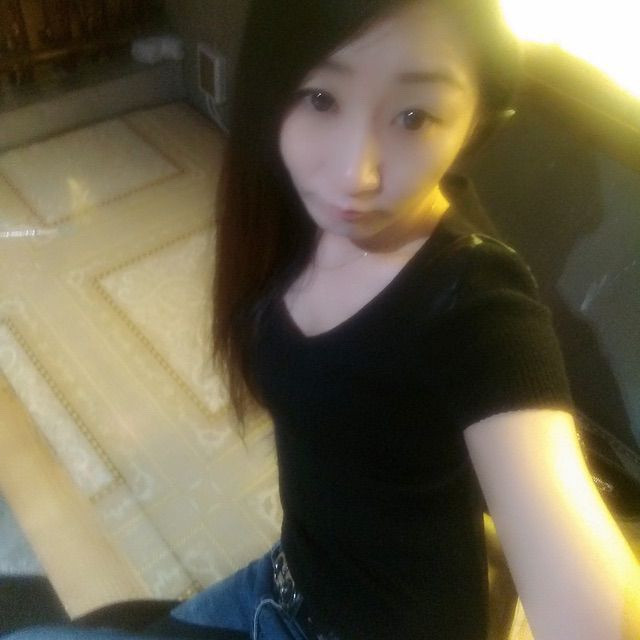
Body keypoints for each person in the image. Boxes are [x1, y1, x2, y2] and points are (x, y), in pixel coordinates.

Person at [5, 1, 640, 639]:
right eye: (320, 98)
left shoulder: (477, 304)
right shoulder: (287, 209)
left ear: (476, 123)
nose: (354, 175)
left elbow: (584, 596)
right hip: (284, 579)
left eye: (414, 117)